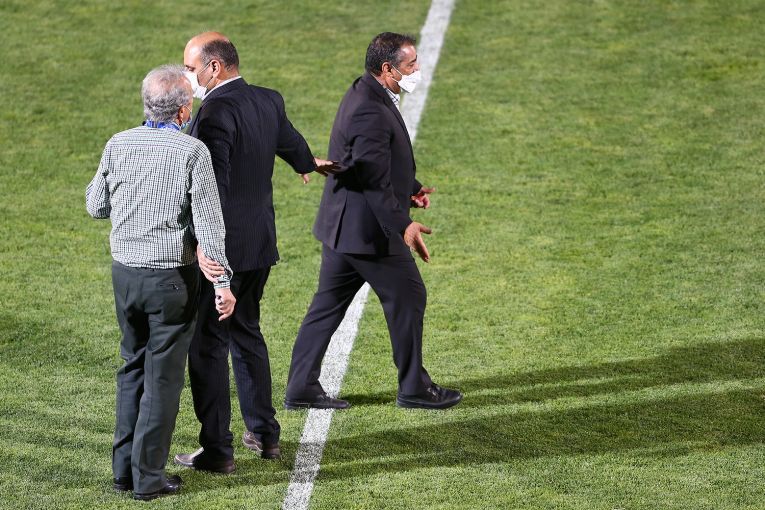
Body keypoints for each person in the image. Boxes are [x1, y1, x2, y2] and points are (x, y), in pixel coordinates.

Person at [173, 32, 338, 473]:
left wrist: (207, 248)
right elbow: (290, 141)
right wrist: (308, 163)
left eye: (190, 68)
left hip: (223, 251)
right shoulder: (268, 98)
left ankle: (217, 450)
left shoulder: (213, 112)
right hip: (260, 243)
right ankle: (264, 435)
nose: (187, 76)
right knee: (246, 333)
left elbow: (212, 188)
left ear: (214, 67)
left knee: (208, 347)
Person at [284, 32, 462, 410]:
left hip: (343, 227)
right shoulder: (370, 109)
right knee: (409, 295)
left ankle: (300, 387)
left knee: (326, 307)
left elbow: (372, 162)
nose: (417, 70)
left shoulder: (366, 91)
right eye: (411, 64)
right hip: (367, 232)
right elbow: (372, 179)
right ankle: (414, 388)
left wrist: (411, 188)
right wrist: (403, 224)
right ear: (387, 69)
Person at [85, 64, 235, 501]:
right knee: (162, 380)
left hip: (125, 277)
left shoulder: (118, 143)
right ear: (184, 111)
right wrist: (223, 283)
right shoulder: (192, 152)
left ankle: (123, 472)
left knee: (131, 368)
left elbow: (96, 205)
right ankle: (148, 478)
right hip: (171, 281)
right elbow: (210, 226)